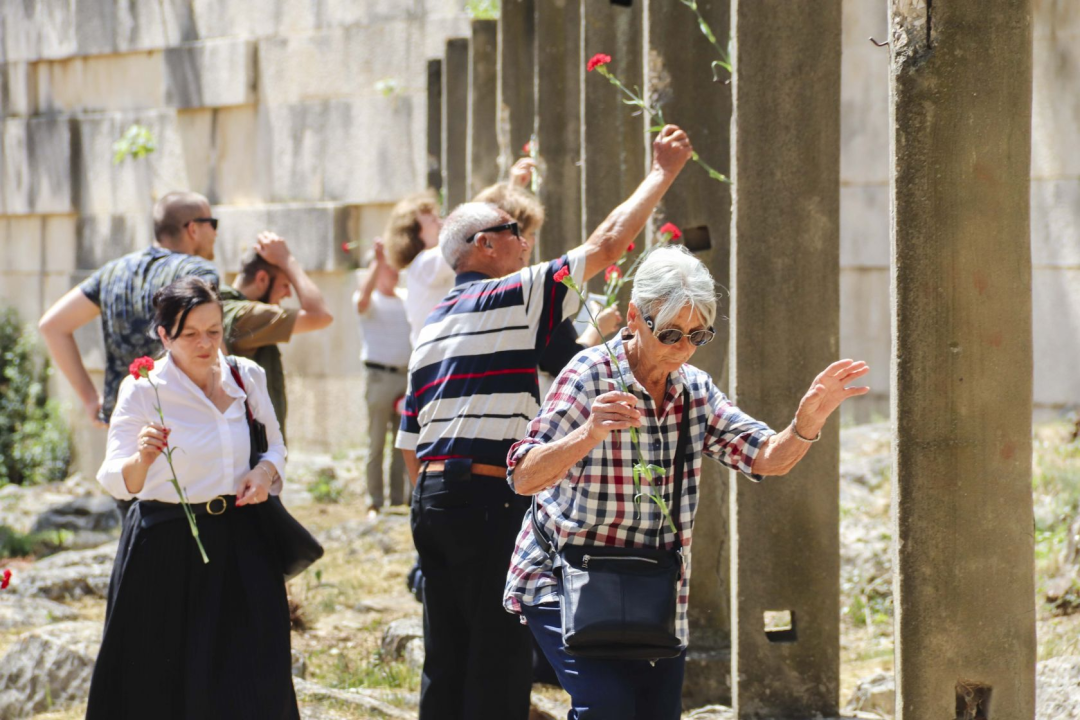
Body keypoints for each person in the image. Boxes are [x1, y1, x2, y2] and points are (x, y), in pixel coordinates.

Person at [397, 124, 694, 720]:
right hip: (488, 495)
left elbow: (411, 439)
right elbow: (608, 243)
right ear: (484, 245)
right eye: (515, 232)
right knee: (499, 658)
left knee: (445, 657)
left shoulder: (434, 325)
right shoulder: (514, 292)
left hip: (432, 500)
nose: (527, 242)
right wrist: (662, 174)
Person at [503, 245, 871, 719]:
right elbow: (522, 475)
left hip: (651, 589)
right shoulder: (589, 374)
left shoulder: (693, 389)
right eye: (671, 332)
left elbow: (766, 458)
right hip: (567, 575)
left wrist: (805, 425)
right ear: (634, 317)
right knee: (608, 708)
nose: (683, 347)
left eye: (698, 335)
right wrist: (589, 433)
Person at [86, 276, 297, 719]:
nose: (206, 344)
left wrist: (263, 472)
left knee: (253, 668)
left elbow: (276, 446)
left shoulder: (247, 375)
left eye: (214, 331)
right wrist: (142, 459)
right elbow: (113, 477)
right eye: (190, 334)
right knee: (162, 679)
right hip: (166, 544)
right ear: (164, 335)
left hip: (242, 538)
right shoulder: (144, 390)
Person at [38, 191, 220, 427]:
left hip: (126, 423)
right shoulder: (200, 272)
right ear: (193, 229)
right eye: (212, 224)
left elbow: (52, 325)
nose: (215, 232)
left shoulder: (113, 271)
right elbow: (216, 349)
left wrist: (91, 400)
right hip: (183, 423)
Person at [221, 231, 334, 440]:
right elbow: (321, 315)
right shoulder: (247, 315)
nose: (288, 294)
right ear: (262, 279)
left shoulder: (225, 308)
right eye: (285, 284)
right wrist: (287, 261)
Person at [353, 238, 411, 517]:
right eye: (388, 267)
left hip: (406, 376)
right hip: (379, 376)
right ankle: (374, 500)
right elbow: (362, 301)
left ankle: (399, 499)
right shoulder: (369, 300)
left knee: (403, 441)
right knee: (376, 441)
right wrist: (377, 259)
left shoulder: (407, 298)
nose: (394, 271)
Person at [382, 193, 449, 346]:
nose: (441, 223)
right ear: (414, 233)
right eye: (433, 220)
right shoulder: (426, 263)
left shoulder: (419, 266)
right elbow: (464, 244)